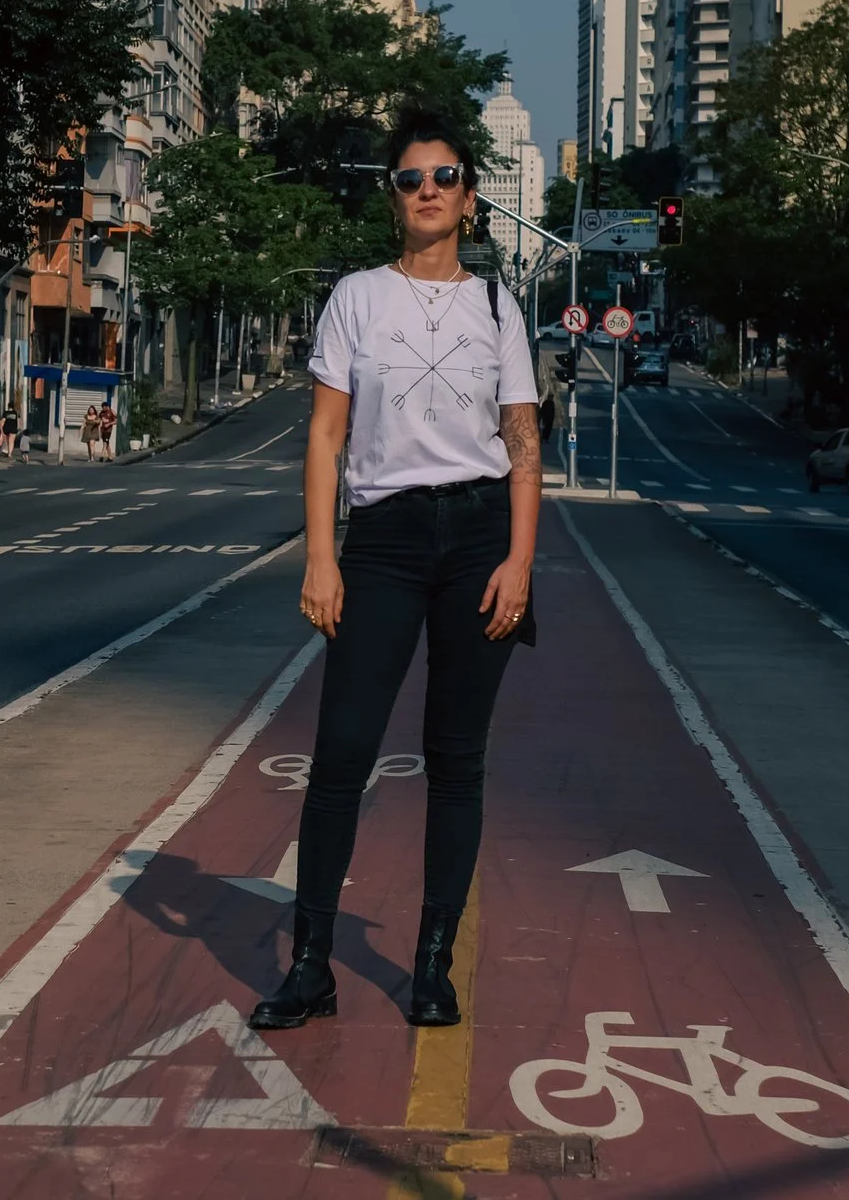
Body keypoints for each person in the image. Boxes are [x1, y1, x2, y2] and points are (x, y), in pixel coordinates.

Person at [252, 117, 541, 1034]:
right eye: (410, 177)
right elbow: (327, 436)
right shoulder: (356, 299)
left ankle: (430, 969)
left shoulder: (499, 305)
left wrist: (521, 562)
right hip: (381, 539)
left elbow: (524, 446)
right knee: (340, 757)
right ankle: (311, 967)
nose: (428, 190)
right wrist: (322, 555)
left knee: (457, 761)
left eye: (445, 175)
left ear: (468, 192)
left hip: (479, 537)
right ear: (393, 195)